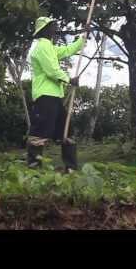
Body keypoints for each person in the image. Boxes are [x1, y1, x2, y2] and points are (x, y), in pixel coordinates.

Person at [27, 16, 85, 171]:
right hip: (45, 96)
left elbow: (67, 50)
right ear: (45, 29)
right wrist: (68, 79)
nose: (56, 28)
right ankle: (34, 169)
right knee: (39, 132)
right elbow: (51, 70)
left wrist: (82, 39)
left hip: (54, 97)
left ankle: (70, 168)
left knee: (66, 130)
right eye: (53, 26)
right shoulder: (42, 47)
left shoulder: (50, 47)